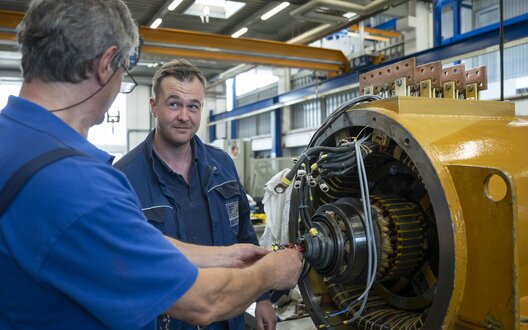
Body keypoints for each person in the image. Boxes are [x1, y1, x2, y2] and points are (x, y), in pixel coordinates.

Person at [0, 1, 303, 329]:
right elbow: (203, 302)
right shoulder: (79, 183)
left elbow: (125, 243)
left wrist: (225, 256)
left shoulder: (14, 142)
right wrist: (271, 272)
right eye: (125, 69)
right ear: (106, 64)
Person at [114, 59, 277, 330]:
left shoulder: (222, 165)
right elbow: (122, 266)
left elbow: (245, 235)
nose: (184, 116)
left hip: (226, 318)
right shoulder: (124, 178)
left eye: (193, 106)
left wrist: (262, 298)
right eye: (174, 104)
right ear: (154, 106)